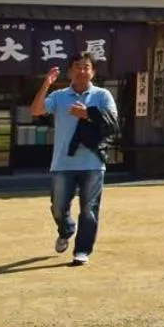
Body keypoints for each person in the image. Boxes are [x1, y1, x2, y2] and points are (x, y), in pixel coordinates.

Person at [30, 52, 118, 266]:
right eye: (77, 67)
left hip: (93, 163)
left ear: (93, 71)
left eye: (86, 67)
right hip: (62, 162)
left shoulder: (102, 95)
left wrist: (88, 114)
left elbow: (113, 124)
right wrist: (46, 84)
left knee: (89, 208)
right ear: (70, 71)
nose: (81, 71)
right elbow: (36, 110)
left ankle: (82, 250)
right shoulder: (60, 96)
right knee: (58, 206)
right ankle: (66, 228)